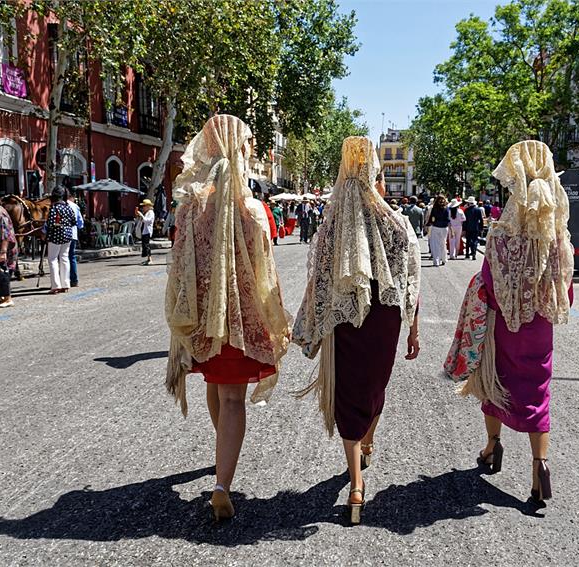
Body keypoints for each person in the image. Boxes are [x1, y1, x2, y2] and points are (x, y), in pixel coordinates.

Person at [164, 115, 292, 521]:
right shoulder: (251, 210)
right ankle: (222, 485)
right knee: (234, 397)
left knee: (216, 386)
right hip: (240, 322)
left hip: (203, 321)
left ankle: (223, 455)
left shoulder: (190, 208)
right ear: (237, 147)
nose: (252, 147)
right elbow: (263, 275)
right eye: (249, 141)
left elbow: (178, 267)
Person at [293, 136, 421, 526]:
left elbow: (318, 278)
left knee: (348, 393)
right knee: (375, 388)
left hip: (345, 319)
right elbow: (412, 278)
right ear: (376, 174)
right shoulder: (396, 222)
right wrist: (414, 328)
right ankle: (368, 440)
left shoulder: (331, 223)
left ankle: (355, 484)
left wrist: (310, 322)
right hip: (387, 319)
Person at [444, 140, 574, 510]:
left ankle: (491, 447)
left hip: (504, 325)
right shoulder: (557, 237)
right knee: (538, 393)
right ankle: (539, 467)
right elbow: (567, 292)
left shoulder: (500, 234)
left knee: (494, 383)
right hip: (540, 327)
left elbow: (488, 282)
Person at [45, 187, 76, 294]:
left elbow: (50, 223)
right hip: (68, 234)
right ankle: (66, 284)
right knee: (64, 258)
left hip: (55, 235)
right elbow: (73, 221)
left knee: (53, 259)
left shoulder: (54, 208)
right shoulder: (68, 207)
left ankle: (55, 285)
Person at [65, 190, 84, 287]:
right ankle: (74, 280)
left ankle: (64, 280)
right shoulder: (75, 206)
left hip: (62, 235)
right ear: (71, 197)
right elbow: (81, 224)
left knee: (63, 258)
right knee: (71, 257)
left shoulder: (58, 205)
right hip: (73, 234)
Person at [427, 195, 450, 266]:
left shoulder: (435, 208)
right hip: (444, 227)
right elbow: (448, 219)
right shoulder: (446, 208)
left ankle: (436, 261)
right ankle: (444, 259)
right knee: (443, 243)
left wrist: (429, 223)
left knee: (435, 244)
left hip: (436, 226)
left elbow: (432, 218)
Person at [135, 199, 155, 265]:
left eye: (144, 206)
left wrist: (141, 215)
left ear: (148, 206)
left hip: (147, 231)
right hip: (144, 231)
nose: (143, 208)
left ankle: (150, 259)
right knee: (145, 245)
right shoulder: (146, 213)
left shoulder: (151, 213)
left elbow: (147, 221)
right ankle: (148, 259)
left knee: (147, 245)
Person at [463, 196, 483, 261]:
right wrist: (481, 227)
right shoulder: (478, 210)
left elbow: (465, 221)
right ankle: (474, 253)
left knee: (468, 241)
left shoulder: (466, 210)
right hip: (476, 227)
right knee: (475, 240)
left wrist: (464, 228)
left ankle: (467, 254)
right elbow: (481, 219)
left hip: (468, 227)